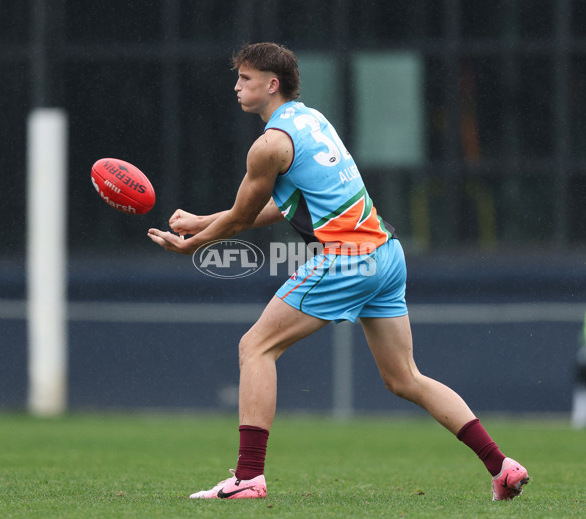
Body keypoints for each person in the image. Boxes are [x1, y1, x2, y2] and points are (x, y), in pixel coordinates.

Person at [147, 42, 529, 501]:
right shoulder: (309, 119)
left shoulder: (268, 144)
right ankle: (502, 466)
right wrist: (204, 221)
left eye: (245, 78)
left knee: (256, 347)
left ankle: (248, 477)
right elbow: (283, 204)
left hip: (348, 257)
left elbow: (244, 217)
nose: (236, 86)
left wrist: (193, 244)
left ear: (271, 84)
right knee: (405, 377)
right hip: (386, 253)